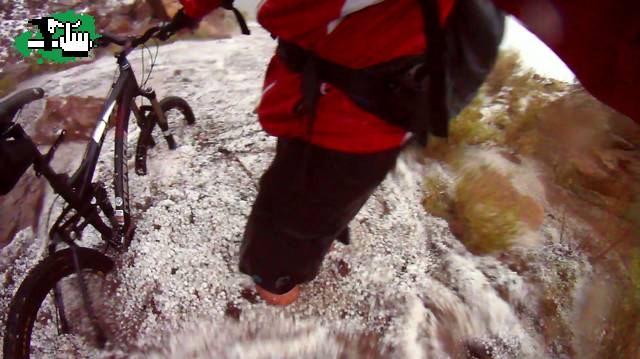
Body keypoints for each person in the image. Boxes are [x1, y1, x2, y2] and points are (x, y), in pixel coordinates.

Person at [161, 0, 639, 306]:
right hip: (324, 99)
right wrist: (184, 12)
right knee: (302, 200)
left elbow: (607, 31)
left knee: (277, 255)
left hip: (346, 119)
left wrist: (182, 13)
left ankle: (279, 294)